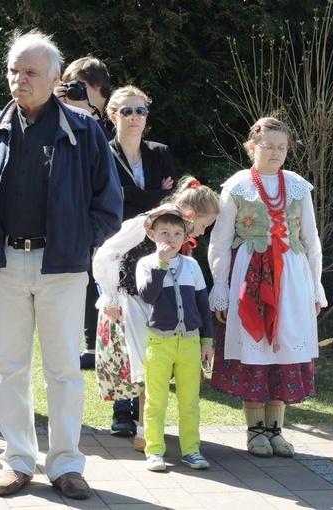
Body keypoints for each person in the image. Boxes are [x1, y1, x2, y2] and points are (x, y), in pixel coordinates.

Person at [0, 30, 123, 499]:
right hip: (3, 264)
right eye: (14, 71)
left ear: (53, 78)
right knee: (9, 368)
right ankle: (17, 461)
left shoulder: (84, 130)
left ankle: (66, 465)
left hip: (61, 265)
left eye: (30, 72)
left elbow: (109, 205)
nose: (19, 80)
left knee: (64, 368)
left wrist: (77, 241)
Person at [208, 116, 326, 458]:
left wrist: (316, 284)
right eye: (268, 146)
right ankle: (255, 429)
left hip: (291, 275)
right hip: (251, 274)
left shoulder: (298, 186)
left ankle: (276, 429)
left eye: (282, 147)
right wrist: (220, 285)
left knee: (284, 345)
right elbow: (220, 238)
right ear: (251, 148)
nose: (276, 152)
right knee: (255, 343)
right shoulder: (238, 185)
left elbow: (311, 238)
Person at [93, 176, 220, 453]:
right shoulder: (145, 224)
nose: (200, 232)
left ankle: (148, 429)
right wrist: (111, 293)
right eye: (203, 225)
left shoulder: (177, 239)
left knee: (157, 370)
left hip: (161, 307)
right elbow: (106, 253)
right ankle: (144, 432)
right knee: (147, 369)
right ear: (189, 215)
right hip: (137, 303)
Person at [105, 84, 178, 437]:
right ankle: (122, 410)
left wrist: (137, 197)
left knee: (151, 326)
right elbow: (111, 200)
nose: (135, 117)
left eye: (141, 111)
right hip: (118, 249)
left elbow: (171, 200)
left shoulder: (159, 151)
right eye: (127, 111)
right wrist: (153, 195)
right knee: (121, 328)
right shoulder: (103, 154)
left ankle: (149, 409)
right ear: (113, 115)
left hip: (155, 249)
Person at [135, 204, 214, 472]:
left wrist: (207, 341)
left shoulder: (192, 266)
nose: (171, 239)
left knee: (189, 402)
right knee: (156, 400)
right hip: (160, 343)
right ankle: (154, 450)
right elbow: (147, 296)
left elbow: (203, 305)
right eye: (164, 233)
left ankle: (191, 450)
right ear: (153, 236)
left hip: (190, 342)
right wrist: (161, 263)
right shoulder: (146, 264)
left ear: (185, 237)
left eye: (177, 234)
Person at [55, 56, 114, 370]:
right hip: (68, 213)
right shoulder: (55, 119)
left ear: (102, 94)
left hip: (101, 214)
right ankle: (86, 343)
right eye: (73, 87)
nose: (78, 94)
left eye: (86, 88)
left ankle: (99, 343)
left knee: (100, 277)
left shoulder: (110, 124)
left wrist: (89, 115)